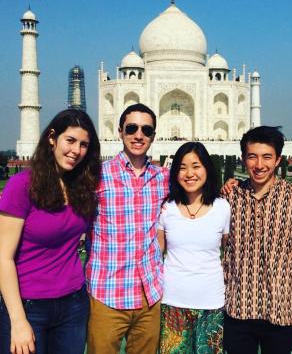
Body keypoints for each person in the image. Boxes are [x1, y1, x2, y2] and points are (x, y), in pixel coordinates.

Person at [0, 109, 101, 354]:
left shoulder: (82, 187)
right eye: (71, 140)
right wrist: (18, 320)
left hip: (73, 303)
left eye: (84, 144)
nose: (76, 150)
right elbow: (3, 257)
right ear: (52, 138)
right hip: (29, 305)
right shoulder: (22, 185)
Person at [86, 103, 169, 354]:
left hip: (149, 295)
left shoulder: (163, 178)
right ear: (120, 131)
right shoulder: (97, 176)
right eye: (132, 128)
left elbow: (198, 191)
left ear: (154, 136)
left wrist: (229, 186)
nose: (138, 135)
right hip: (107, 295)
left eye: (146, 130)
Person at [223, 126, 292, 354]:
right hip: (238, 306)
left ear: (278, 159)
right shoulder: (230, 196)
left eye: (267, 157)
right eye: (253, 157)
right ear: (243, 159)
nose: (259, 165)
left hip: (280, 307)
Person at [157, 142, 230, 354]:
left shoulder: (223, 208)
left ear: (207, 168)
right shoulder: (166, 208)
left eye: (196, 166)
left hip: (211, 302)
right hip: (172, 301)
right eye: (182, 167)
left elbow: (228, 252)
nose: (189, 173)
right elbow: (156, 252)